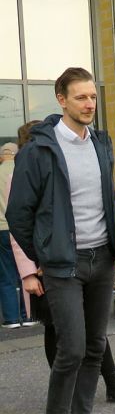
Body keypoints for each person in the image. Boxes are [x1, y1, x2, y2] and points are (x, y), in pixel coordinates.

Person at [6, 67, 115, 414]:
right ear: (61, 99)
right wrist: (43, 255)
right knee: (71, 348)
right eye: (81, 98)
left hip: (101, 257)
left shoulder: (101, 143)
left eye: (93, 97)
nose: (89, 104)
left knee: (94, 346)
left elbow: (106, 198)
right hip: (63, 264)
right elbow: (17, 213)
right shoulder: (39, 150)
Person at [8, 120, 115, 404]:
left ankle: (111, 382)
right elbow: (20, 223)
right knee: (58, 331)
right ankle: (67, 396)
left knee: (91, 332)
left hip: (79, 257)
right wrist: (31, 270)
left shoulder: (75, 158)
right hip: (50, 262)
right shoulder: (27, 166)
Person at [0, 141, 33, 329]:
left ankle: (12, 319)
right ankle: (28, 315)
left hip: (1, 229)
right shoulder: (23, 169)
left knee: (6, 275)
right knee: (26, 271)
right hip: (21, 228)